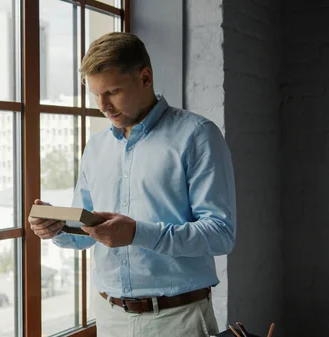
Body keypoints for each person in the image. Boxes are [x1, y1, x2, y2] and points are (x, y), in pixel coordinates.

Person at [28, 32, 236, 337]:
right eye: (95, 93)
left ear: (145, 77)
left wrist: (139, 233)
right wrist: (56, 227)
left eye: (113, 91)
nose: (103, 106)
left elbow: (221, 234)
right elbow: (85, 235)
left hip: (178, 320)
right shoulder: (96, 147)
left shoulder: (197, 136)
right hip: (110, 320)